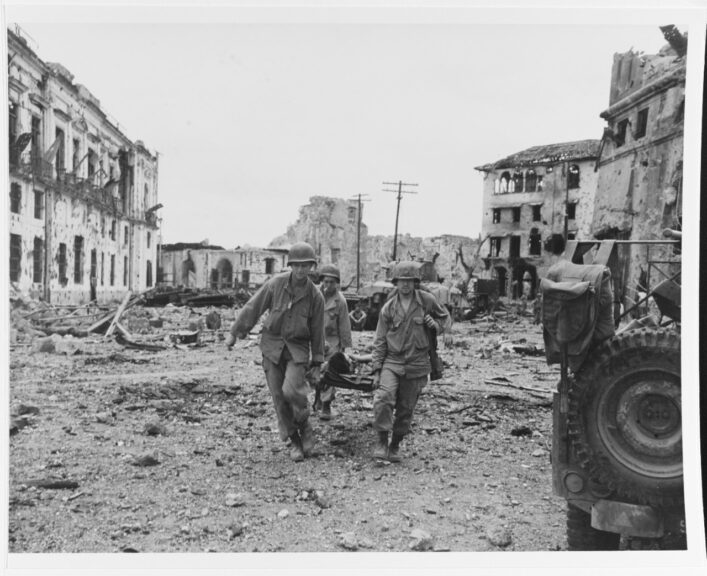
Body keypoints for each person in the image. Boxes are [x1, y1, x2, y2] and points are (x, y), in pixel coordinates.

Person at [226, 241, 325, 462]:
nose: (301, 270)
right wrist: (235, 332)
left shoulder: (315, 296)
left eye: (305, 266)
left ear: (312, 267)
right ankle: (295, 441)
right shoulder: (276, 284)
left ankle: (305, 425)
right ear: (290, 266)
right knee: (279, 398)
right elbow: (254, 307)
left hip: (298, 350)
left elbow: (318, 330)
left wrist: (318, 361)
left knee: (292, 391)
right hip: (272, 347)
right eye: (297, 266)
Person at [369, 261, 451, 463]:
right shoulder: (388, 308)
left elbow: (445, 318)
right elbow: (380, 340)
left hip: (417, 363)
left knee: (406, 408)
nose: (405, 285)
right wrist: (377, 369)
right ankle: (381, 441)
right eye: (401, 281)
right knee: (384, 398)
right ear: (395, 283)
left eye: (409, 281)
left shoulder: (426, 301)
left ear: (415, 282)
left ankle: (395, 444)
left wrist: (438, 327)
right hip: (392, 361)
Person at [316, 264, 352, 421]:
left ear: (337, 283)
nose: (328, 285)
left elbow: (344, 326)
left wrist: (344, 350)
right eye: (326, 281)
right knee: (314, 371)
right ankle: (317, 396)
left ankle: (326, 405)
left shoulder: (341, 302)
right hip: (315, 339)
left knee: (329, 373)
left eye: (332, 282)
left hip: (332, 342)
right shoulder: (314, 295)